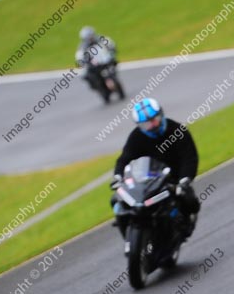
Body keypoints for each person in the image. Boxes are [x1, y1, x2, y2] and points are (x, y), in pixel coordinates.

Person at [110, 98, 200, 239]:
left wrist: (185, 180)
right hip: (146, 181)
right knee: (116, 200)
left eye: (154, 119)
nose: (152, 125)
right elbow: (124, 159)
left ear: (161, 114)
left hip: (173, 180)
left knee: (190, 201)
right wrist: (118, 177)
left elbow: (189, 158)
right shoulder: (136, 137)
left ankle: (183, 226)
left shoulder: (177, 131)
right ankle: (127, 231)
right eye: (146, 123)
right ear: (140, 125)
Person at [75, 26, 117, 94]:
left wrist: (112, 49)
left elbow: (110, 44)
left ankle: (112, 77)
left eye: (91, 36)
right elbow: (79, 57)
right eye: (89, 37)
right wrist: (82, 62)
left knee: (114, 62)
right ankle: (97, 87)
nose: (90, 38)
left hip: (104, 61)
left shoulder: (100, 39)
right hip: (93, 65)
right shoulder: (82, 47)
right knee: (86, 75)